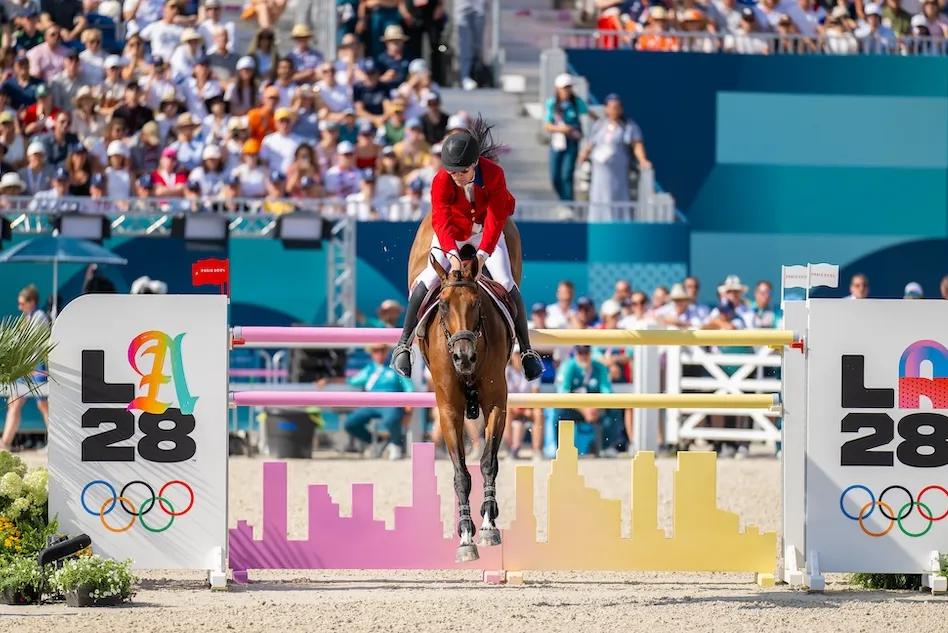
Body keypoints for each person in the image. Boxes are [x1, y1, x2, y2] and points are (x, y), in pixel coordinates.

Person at [388, 115, 544, 382]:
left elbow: (496, 218)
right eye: (453, 172)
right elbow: (441, 220)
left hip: (485, 233)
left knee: (506, 282)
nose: (457, 177)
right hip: (453, 235)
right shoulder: (441, 180)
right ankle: (404, 345)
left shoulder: (494, 174)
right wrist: (452, 255)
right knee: (427, 279)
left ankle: (527, 351)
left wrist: (482, 255)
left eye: (462, 172)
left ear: (474, 164)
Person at [338, 344, 412, 460]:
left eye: (382, 350)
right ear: (371, 353)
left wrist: (409, 408)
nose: (379, 354)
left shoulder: (396, 367)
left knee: (391, 419)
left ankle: (395, 444)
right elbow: (352, 381)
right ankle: (378, 441)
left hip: (391, 403)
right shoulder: (369, 369)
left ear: (387, 352)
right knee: (350, 423)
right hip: (371, 404)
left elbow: (409, 387)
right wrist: (328, 380)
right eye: (376, 351)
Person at [0, 284, 50, 452]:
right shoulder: (28, 317)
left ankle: (56, 443)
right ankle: (5, 443)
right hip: (27, 366)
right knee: (14, 401)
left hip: (37, 365)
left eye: (22, 303)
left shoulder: (39, 317)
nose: (19, 307)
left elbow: (33, 345)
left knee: (43, 405)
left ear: (32, 302)